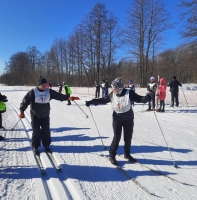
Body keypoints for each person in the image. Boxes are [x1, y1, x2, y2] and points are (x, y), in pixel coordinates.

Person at [85, 78, 151, 166]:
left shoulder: (129, 93)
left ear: (119, 88)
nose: (112, 90)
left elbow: (139, 99)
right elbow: (103, 100)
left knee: (128, 137)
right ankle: (112, 155)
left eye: (114, 88)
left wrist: (146, 98)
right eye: (112, 88)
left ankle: (127, 154)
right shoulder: (112, 94)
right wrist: (91, 102)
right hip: (117, 118)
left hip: (128, 118)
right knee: (117, 137)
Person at [19, 76, 72, 155]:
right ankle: (35, 146)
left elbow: (58, 96)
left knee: (46, 131)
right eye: (43, 84)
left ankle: (46, 145)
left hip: (45, 115)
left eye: (46, 84)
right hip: (35, 115)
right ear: (38, 85)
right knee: (36, 132)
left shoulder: (49, 91)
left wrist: (68, 97)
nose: (45, 86)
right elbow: (25, 101)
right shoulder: (32, 92)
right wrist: (22, 110)